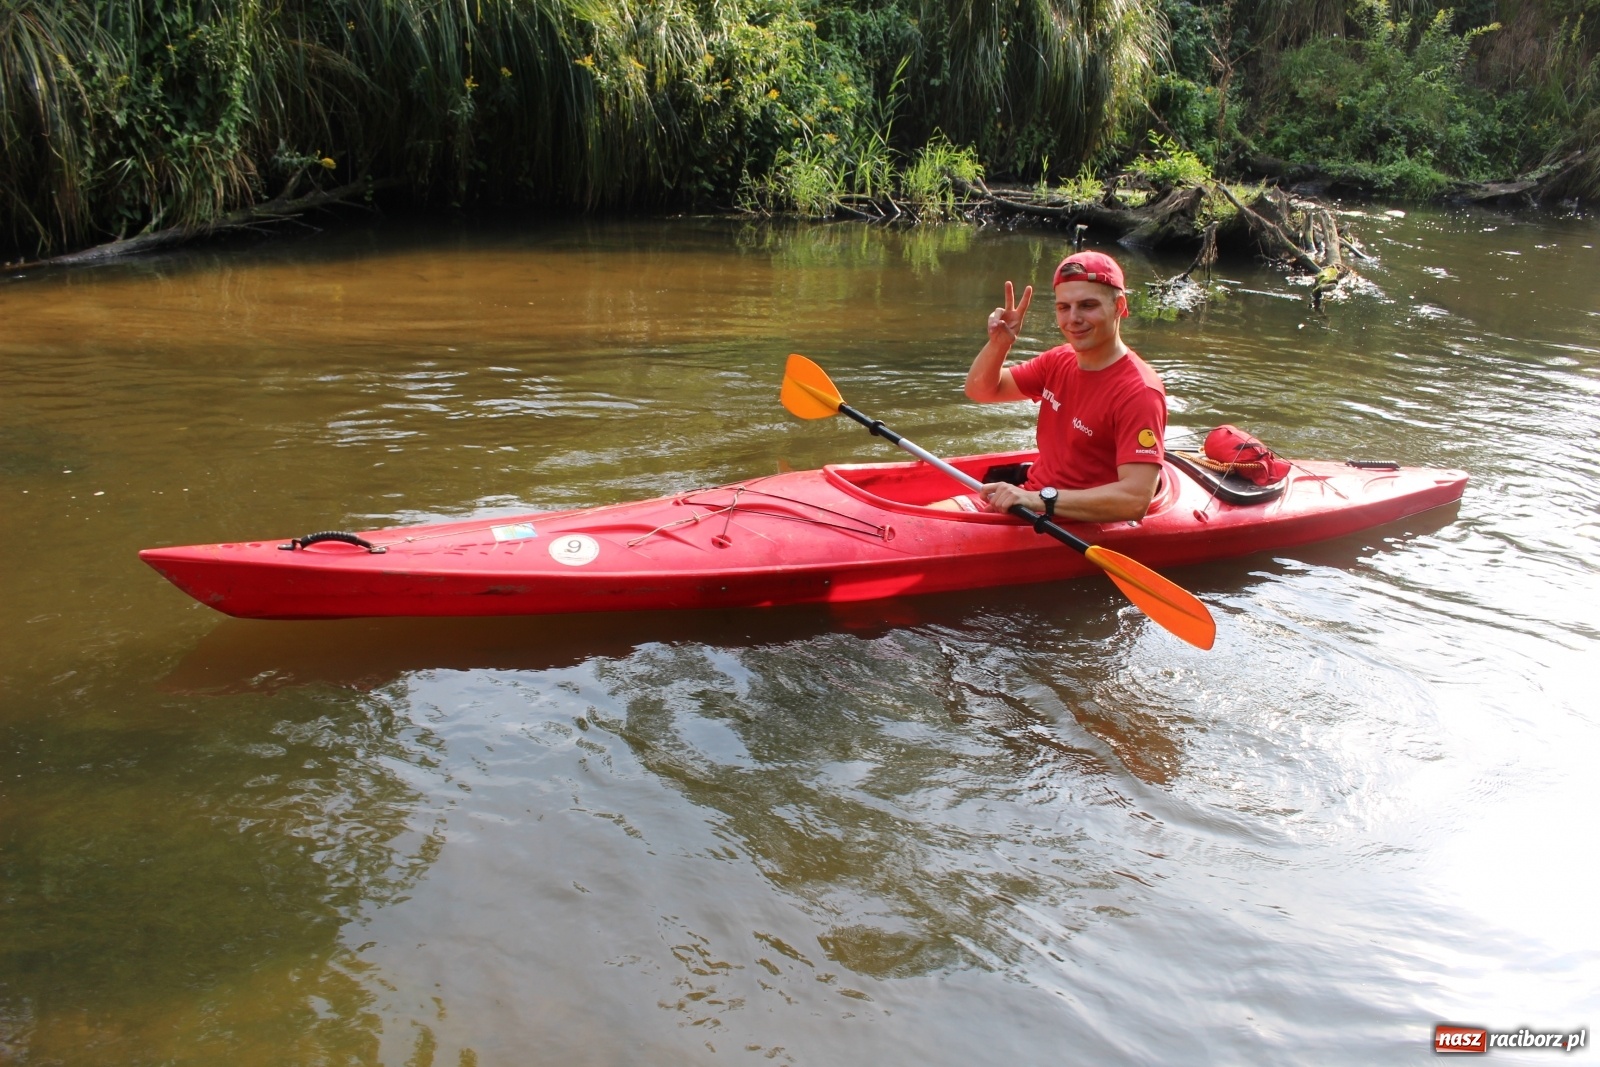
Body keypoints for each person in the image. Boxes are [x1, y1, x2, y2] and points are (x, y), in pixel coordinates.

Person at [933, 250, 1167, 523]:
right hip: (1030, 498)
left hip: (1070, 518)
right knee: (922, 519)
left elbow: (1134, 500)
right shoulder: (1059, 360)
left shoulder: (1139, 392)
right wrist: (999, 343)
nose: (1073, 319)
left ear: (1119, 306)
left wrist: (1037, 500)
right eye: (1063, 307)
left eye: (1087, 305)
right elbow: (981, 390)